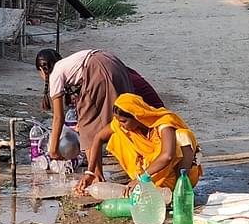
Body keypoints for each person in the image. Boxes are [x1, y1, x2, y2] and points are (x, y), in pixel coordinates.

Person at [35, 48, 164, 191]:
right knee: (123, 117)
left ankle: (96, 175)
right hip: (112, 61)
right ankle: (142, 165)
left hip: (96, 69)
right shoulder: (70, 64)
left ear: (42, 69)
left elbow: (58, 117)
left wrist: (53, 150)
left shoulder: (55, 74)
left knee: (88, 126)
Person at [80, 93, 202, 195]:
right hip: (147, 175)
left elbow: (167, 155)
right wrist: (91, 172)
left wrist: (142, 178)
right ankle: (145, 184)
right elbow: (98, 137)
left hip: (172, 177)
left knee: (182, 136)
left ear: (137, 117)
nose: (120, 124)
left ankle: (181, 191)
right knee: (117, 136)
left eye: (124, 121)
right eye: (118, 120)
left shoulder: (163, 123)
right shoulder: (120, 125)